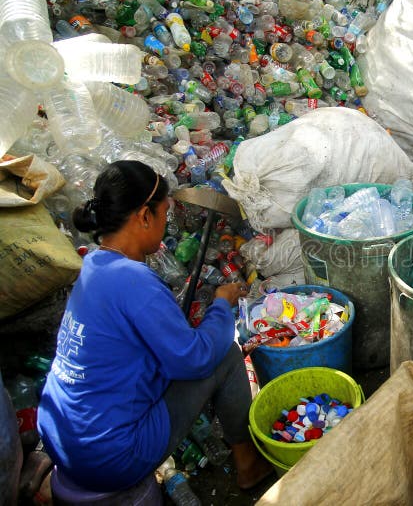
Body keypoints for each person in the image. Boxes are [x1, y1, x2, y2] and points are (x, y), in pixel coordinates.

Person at [37, 161, 272, 493]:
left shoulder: (93, 265)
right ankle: (248, 465)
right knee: (224, 352)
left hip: (62, 440)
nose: (165, 223)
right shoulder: (134, 281)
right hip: (110, 455)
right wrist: (221, 304)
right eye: (163, 214)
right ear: (144, 216)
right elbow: (196, 358)